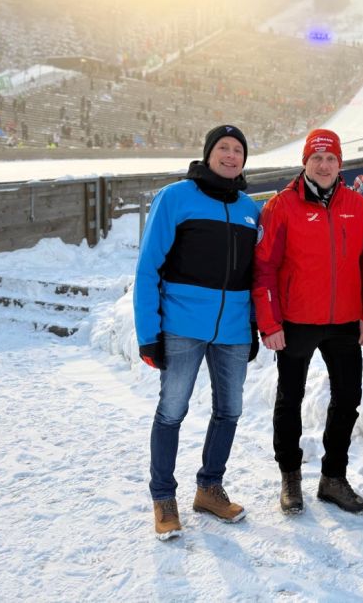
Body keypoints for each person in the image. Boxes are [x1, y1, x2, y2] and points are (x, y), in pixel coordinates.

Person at [134, 125, 260, 540]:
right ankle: (163, 497)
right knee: (172, 411)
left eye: (238, 149)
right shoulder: (175, 197)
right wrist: (148, 333)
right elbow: (148, 267)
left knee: (230, 411)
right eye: (223, 147)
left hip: (233, 330)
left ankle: (209, 488)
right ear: (208, 154)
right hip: (181, 326)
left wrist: (253, 324)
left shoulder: (249, 209)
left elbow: (255, 274)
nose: (231, 155)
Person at [252, 128, 363, 516]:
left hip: (344, 322)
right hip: (296, 321)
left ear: (340, 163)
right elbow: (264, 268)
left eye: (330, 158)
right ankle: (290, 476)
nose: (324, 165)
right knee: (290, 398)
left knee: (348, 399)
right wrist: (270, 323)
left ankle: (333, 478)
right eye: (316, 158)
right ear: (305, 162)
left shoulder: (357, 205)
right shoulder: (282, 206)